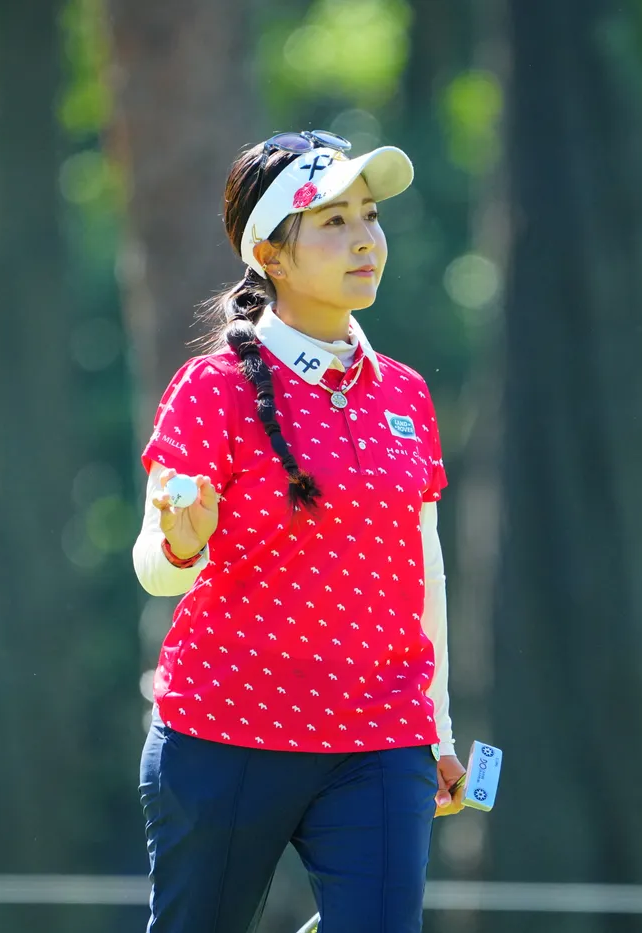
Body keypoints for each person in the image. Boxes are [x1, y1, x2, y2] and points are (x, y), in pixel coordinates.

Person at [130, 129, 465, 933]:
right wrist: (184, 538)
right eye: (334, 221)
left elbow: (423, 571)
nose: (365, 239)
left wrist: (439, 729)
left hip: (380, 735)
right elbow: (156, 568)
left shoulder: (406, 394)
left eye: (370, 216)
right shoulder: (212, 388)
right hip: (226, 730)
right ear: (270, 256)